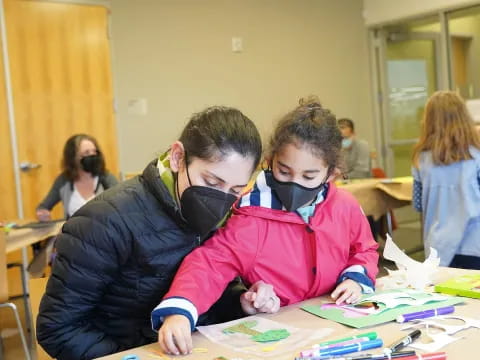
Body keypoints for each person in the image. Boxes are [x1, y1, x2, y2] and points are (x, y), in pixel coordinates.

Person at [37, 107, 278, 360]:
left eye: (235, 189)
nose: (220, 199)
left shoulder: (217, 215)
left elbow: (210, 288)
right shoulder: (103, 222)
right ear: (177, 158)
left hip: (198, 349)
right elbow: (58, 329)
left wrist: (241, 300)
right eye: (211, 182)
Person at [153, 98, 379, 355]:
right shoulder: (252, 215)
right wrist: (181, 310)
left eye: (308, 177)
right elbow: (210, 263)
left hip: (340, 328)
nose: (294, 183)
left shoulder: (344, 205)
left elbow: (365, 249)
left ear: (331, 174)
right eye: (283, 171)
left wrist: (355, 279)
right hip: (283, 337)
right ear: (270, 161)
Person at [412, 91, 480, 269]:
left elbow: (418, 204)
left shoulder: (420, 158)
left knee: (446, 295)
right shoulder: (476, 155)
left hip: (438, 246)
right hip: (474, 243)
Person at [36, 134, 118, 220]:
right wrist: (42, 213)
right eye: (86, 153)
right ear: (73, 158)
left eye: (94, 152)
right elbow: (43, 207)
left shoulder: (107, 178)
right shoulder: (64, 180)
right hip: (73, 231)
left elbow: (122, 205)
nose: (92, 156)